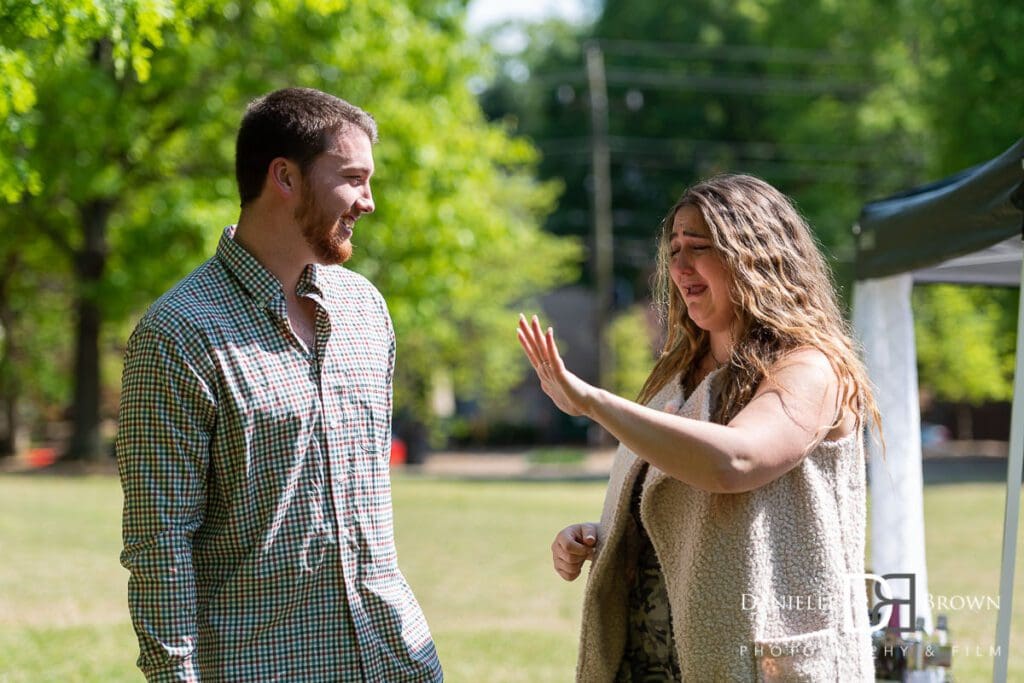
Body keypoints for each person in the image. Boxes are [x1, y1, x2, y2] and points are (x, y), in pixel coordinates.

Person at [116, 87, 442, 682]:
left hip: (396, 660)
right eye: (353, 178)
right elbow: (158, 545)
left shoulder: (367, 311)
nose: (369, 202)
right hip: (261, 667)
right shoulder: (178, 333)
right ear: (284, 177)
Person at [517, 173, 880, 681]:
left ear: (756, 256)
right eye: (673, 250)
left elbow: (735, 462)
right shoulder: (678, 377)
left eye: (700, 247)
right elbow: (696, 513)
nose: (680, 266)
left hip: (765, 664)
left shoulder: (811, 368)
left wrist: (594, 403)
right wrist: (609, 535)